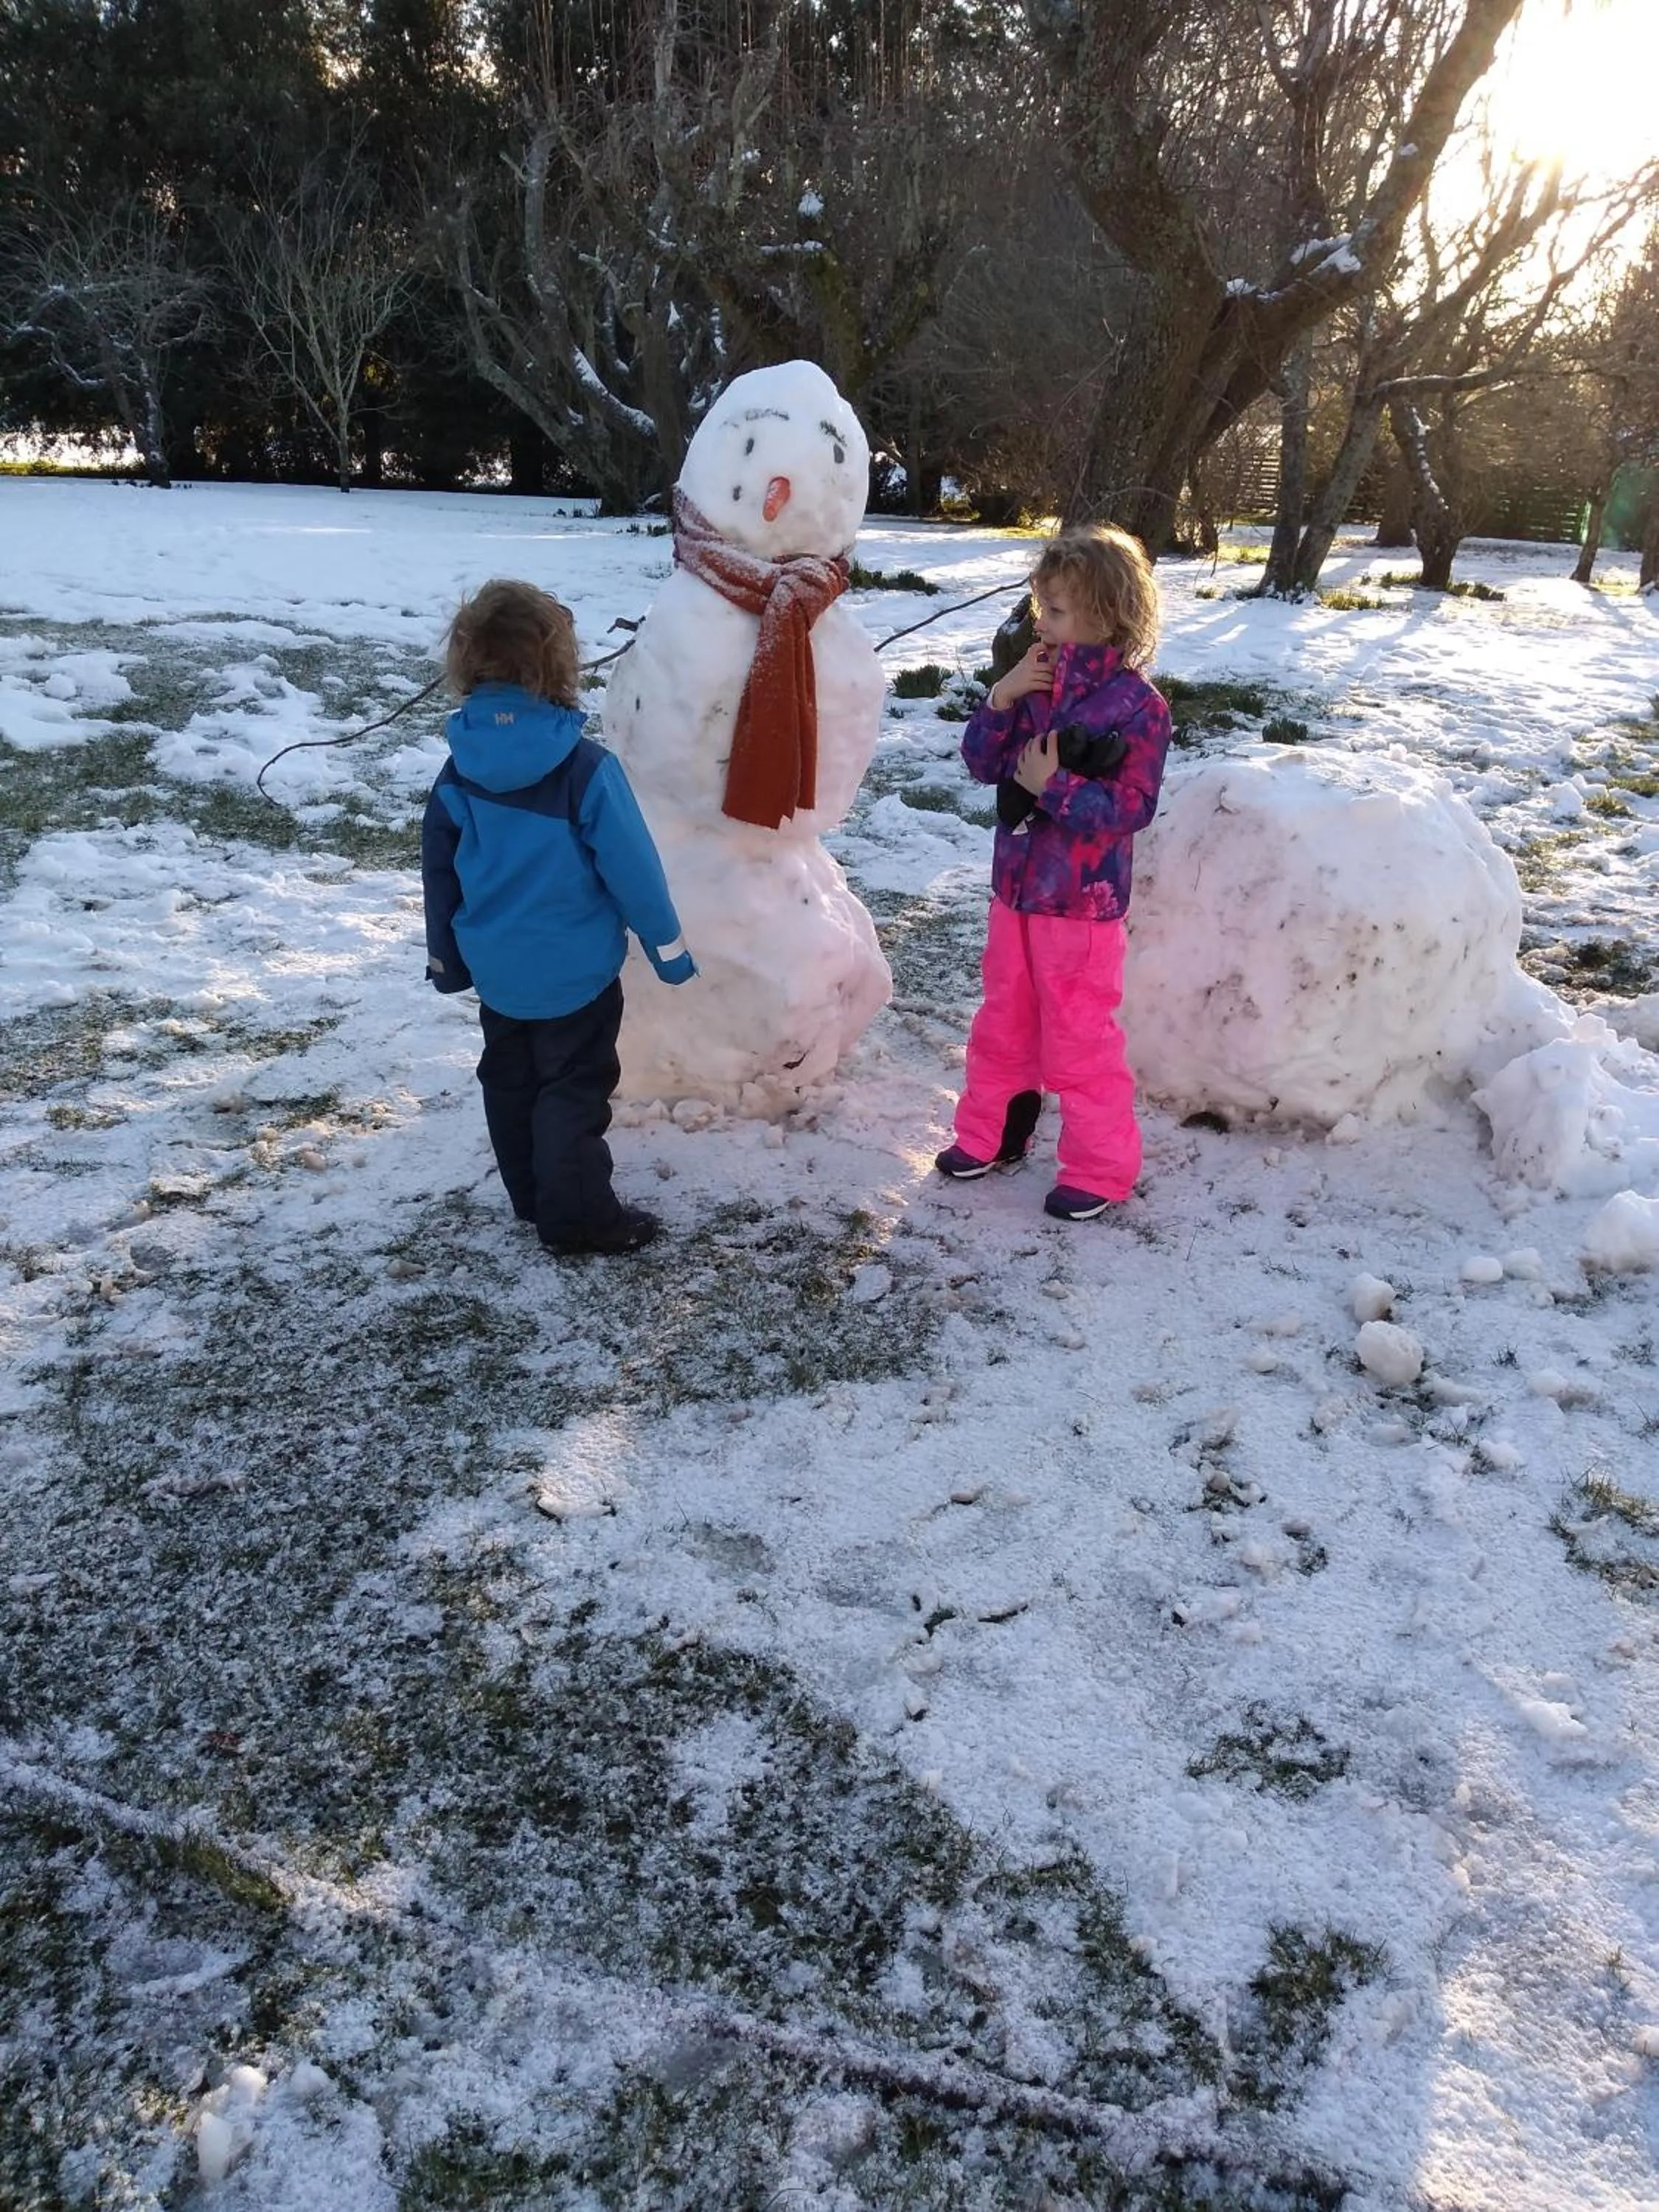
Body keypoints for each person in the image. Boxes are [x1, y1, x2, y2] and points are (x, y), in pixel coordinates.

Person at [422, 579, 695, 1256]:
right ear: (556, 666)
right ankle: (575, 1219)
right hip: (578, 975)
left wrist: (446, 959)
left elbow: (439, 875)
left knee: (510, 1079)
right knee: (572, 1089)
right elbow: (634, 870)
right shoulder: (585, 771)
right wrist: (668, 949)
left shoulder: (458, 774)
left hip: (499, 972)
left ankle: (532, 1194)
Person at [935, 524, 1172, 1220]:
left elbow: (1133, 806)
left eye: (1059, 610)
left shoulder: (1139, 708)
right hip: (1015, 894)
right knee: (1004, 1019)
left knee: (1078, 1035)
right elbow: (981, 763)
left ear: (1107, 614)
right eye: (1043, 606)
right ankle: (993, 1135)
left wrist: (1053, 789)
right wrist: (1002, 697)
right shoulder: (1033, 685)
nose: (1044, 621)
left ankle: (1099, 1169)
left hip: (1081, 907)